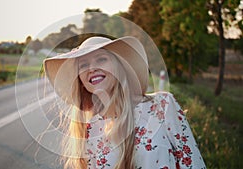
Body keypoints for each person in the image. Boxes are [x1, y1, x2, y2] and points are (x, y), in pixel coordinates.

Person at [43, 36, 206, 169]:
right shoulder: (89, 130)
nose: (91, 68)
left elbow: (193, 163)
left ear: (119, 66)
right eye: (83, 65)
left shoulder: (162, 106)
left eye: (101, 59)